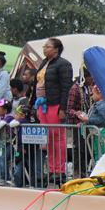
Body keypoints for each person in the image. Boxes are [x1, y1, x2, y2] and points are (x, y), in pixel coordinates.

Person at [34, 38, 73, 186]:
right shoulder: (44, 63)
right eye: (44, 47)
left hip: (55, 104)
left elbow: (65, 88)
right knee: (48, 138)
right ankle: (51, 169)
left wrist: (62, 109)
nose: (45, 49)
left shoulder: (63, 64)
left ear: (56, 49)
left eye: (48, 47)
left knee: (58, 137)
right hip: (42, 104)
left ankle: (60, 170)